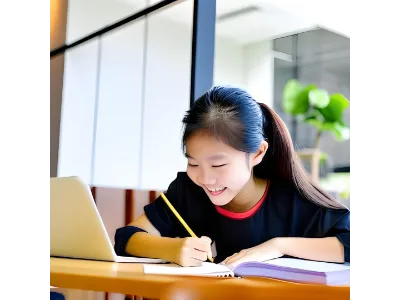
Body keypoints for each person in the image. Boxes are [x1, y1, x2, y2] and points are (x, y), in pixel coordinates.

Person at [114, 85, 351, 269]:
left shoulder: (295, 201)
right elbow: (126, 237)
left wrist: (278, 246)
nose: (206, 178)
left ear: (258, 152)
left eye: (218, 164)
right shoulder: (188, 190)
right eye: (193, 162)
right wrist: (173, 248)